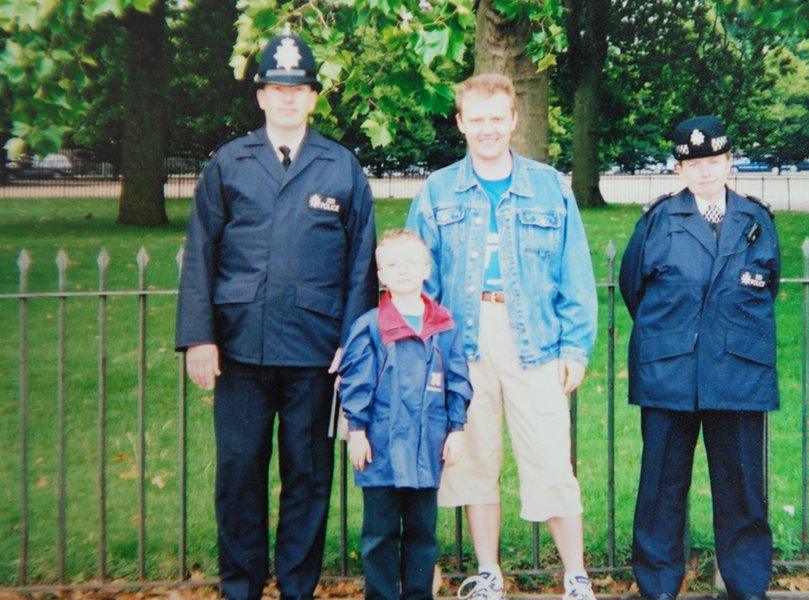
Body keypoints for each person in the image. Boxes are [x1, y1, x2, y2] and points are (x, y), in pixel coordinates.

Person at [175, 29, 377, 600]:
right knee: (239, 473)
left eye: (299, 88)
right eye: (277, 88)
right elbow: (201, 252)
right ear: (260, 95)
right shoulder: (229, 163)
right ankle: (240, 585)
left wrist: (352, 343)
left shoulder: (340, 167)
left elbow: (362, 261)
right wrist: (199, 338)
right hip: (239, 350)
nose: (288, 98)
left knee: (308, 478)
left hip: (317, 353)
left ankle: (296, 587)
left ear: (314, 97)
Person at [406, 73, 599, 600]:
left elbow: (575, 272)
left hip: (534, 338)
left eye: (498, 118)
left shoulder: (549, 187)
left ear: (514, 120)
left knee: (550, 461)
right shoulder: (437, 190)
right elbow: (420, 279)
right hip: (463, 343)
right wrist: (429, 351)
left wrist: (575, 348)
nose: (487, 129)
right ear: (461, 122)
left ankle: (575, 575)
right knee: (473, 460)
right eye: (477, 119)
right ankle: (489, 573)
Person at [619, 115, 780, 600]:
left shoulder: (756, 219)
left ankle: (746, 585)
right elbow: (634, 288)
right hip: (671, 372)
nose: (706, 172)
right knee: (662, 489)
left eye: (715, 162)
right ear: (679, 170)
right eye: (694, 164)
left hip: (737, 372)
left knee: (743, 490)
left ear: (730, 162)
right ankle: (659, 585)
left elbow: (767, 287)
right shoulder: (658, 220)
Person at [338, 229, 473, 600]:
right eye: (392, 264)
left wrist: (456, 429)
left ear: (426, 268)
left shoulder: (444, 325)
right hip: (379, 451)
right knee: (379, 535)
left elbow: (457, 380)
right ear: (380, 275)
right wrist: (358, 431)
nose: (402, 270)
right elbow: (357, 383)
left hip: (426, 449)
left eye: (410, 262)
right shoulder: (369, 326)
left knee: (422, 535)